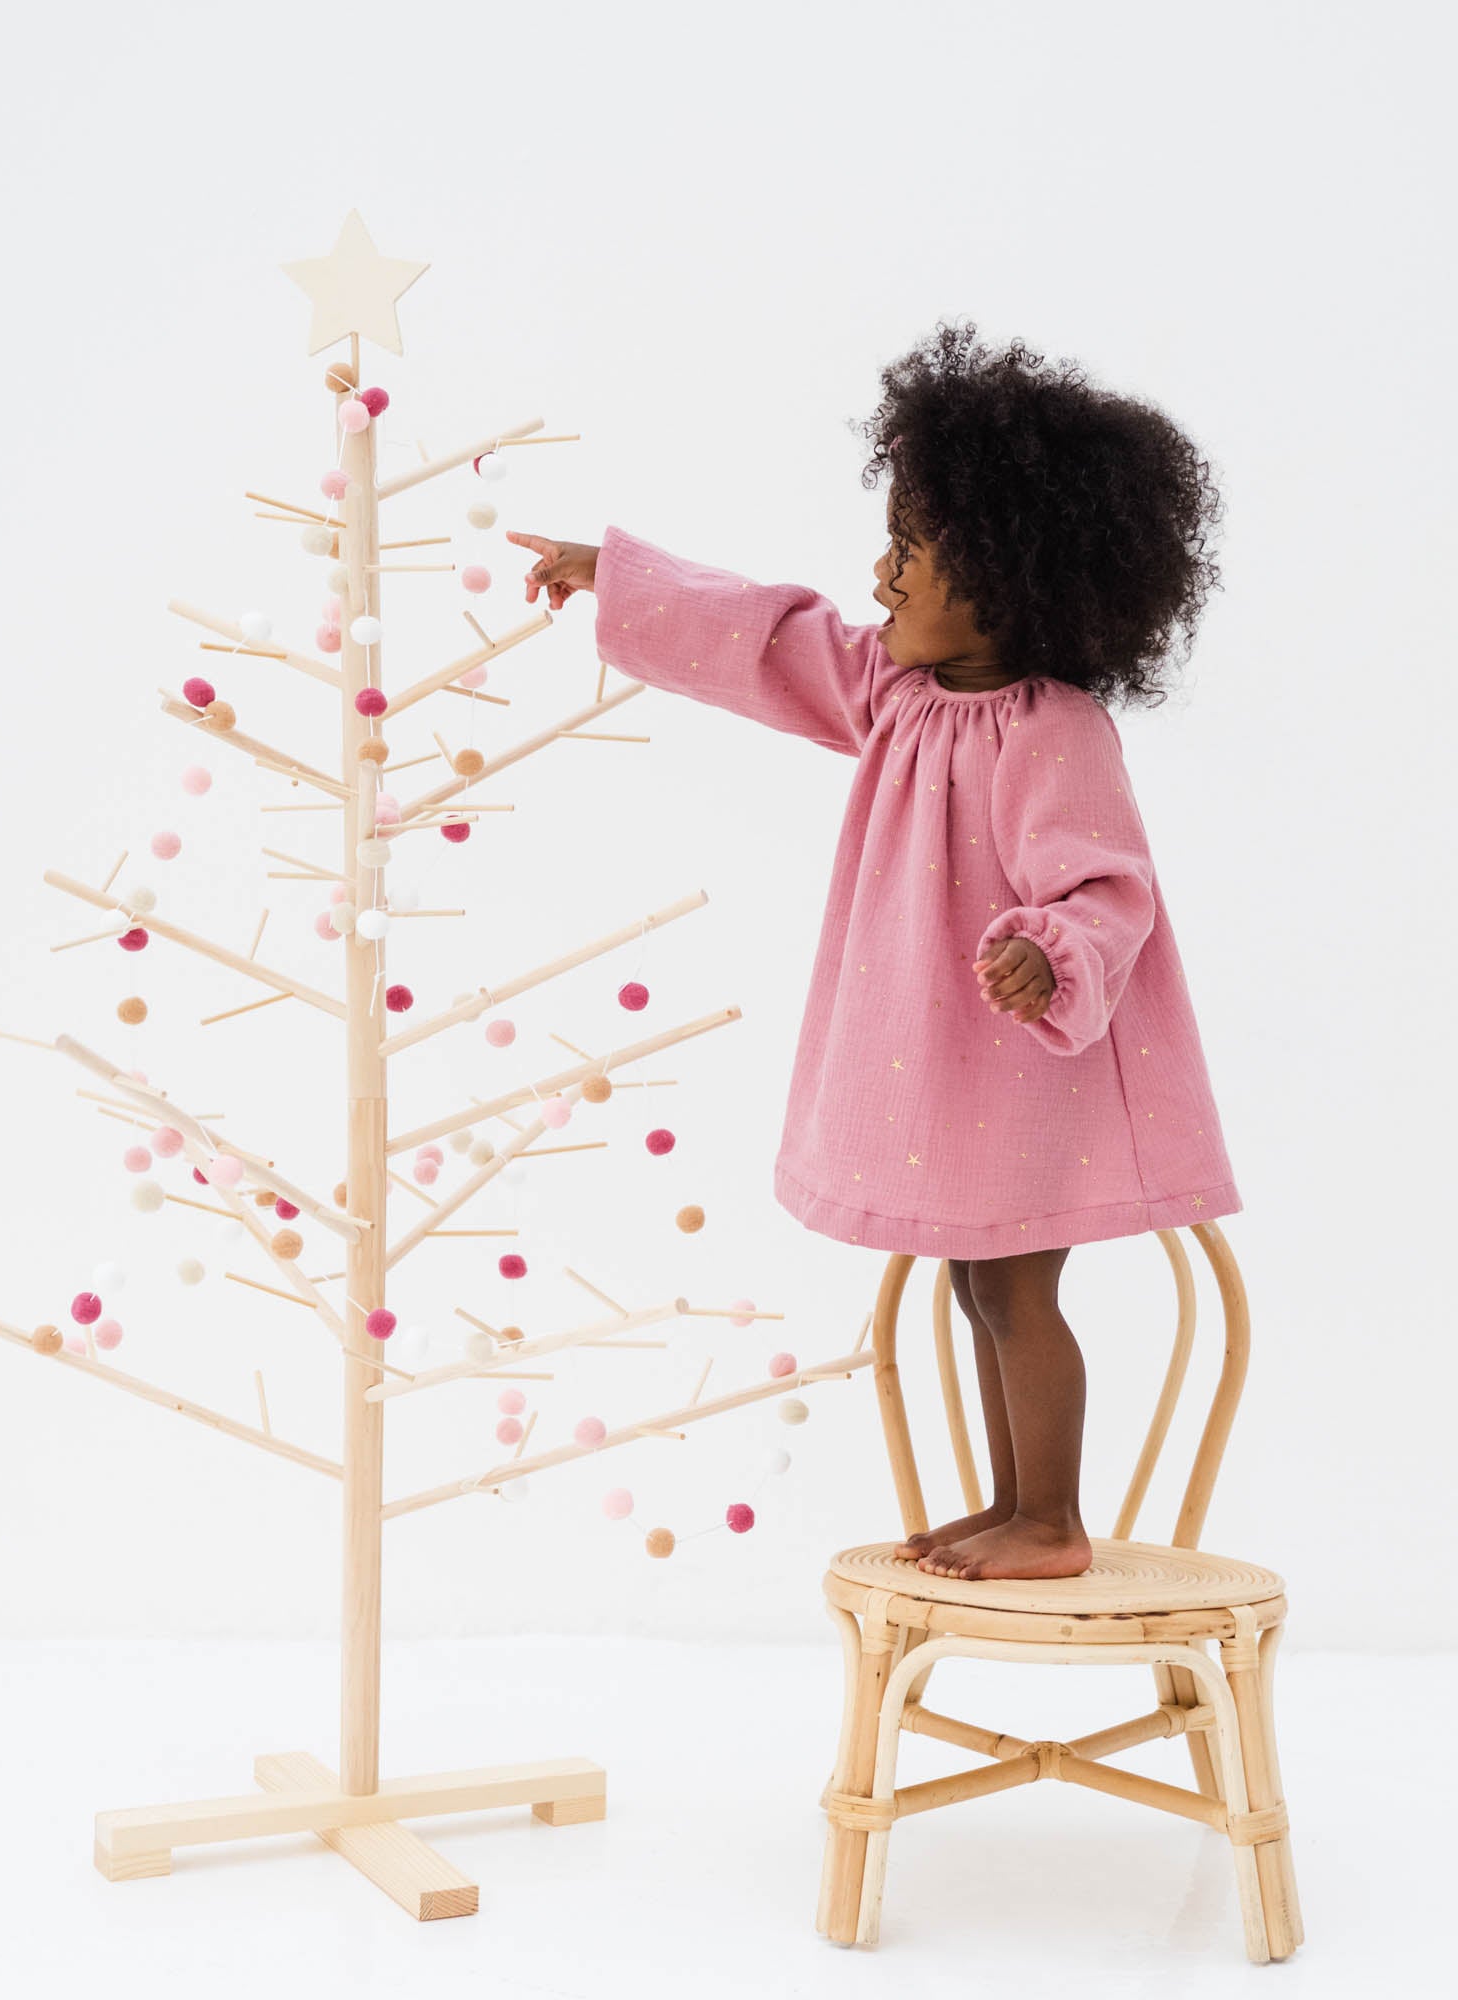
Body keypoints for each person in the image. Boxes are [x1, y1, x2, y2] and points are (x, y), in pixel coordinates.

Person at [504, 319, 1238, 1582]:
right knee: (974, 1289)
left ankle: (1052, 1519)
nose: (881, 572)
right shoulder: (892, 693)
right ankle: (1016, 1504)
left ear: (1011, 576)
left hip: (1026, 1069)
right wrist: (611, 579)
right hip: (946, 1069)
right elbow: (764, 636)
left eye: (911, 548)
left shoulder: (1052, 732)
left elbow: (1109, 890)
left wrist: (1049, 953)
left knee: (1016, 1293)